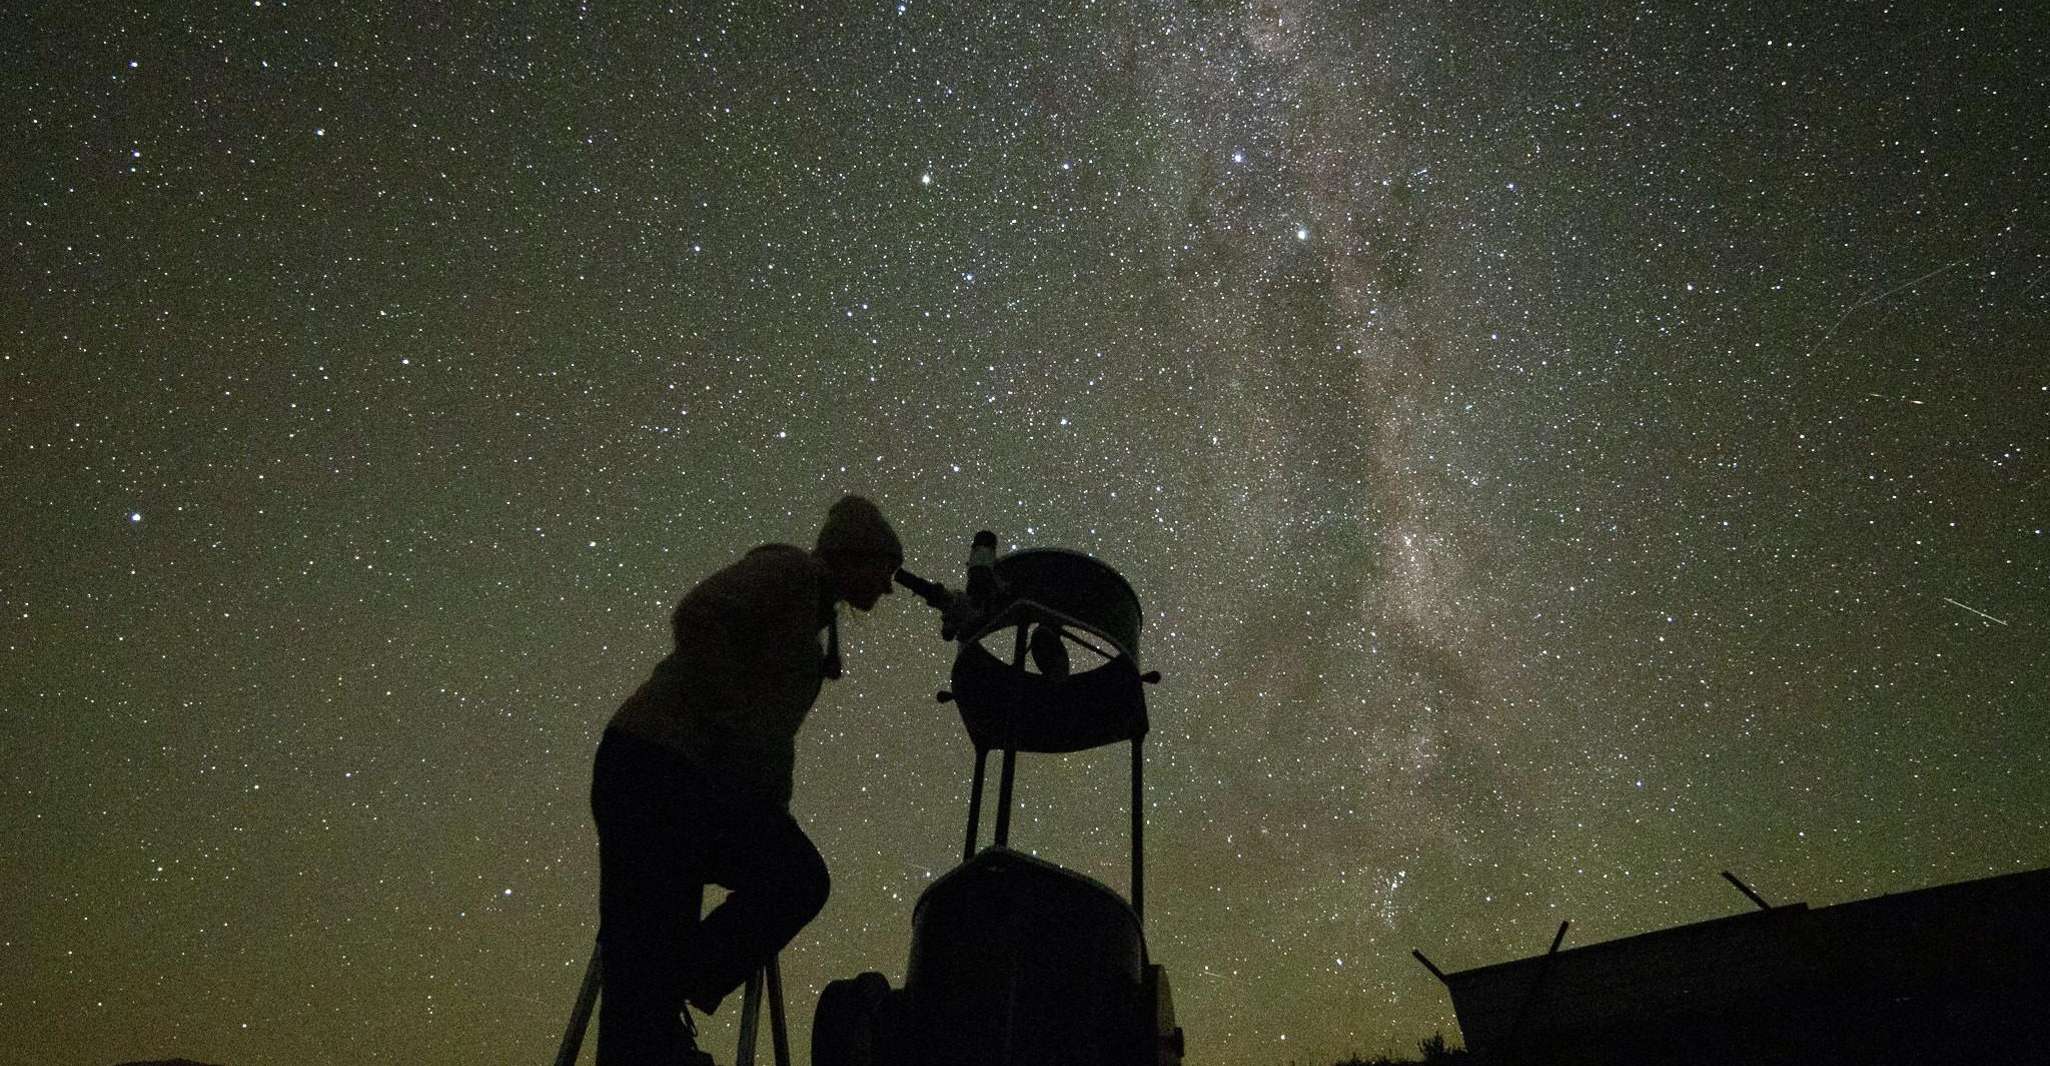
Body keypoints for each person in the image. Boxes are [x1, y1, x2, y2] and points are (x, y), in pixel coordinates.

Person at [591, 495, 902, 1065]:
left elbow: (767, 736)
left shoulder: (812, 616)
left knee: (647, 935)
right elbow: (699, 613)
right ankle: (671, 984)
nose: (888, 587)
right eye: (885, 567)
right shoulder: (792, 573)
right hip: (659, 769)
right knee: (796, 879)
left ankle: (657, 1003)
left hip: (676, 780)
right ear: (855, 555)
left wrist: (761, 791)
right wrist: (728, 721)